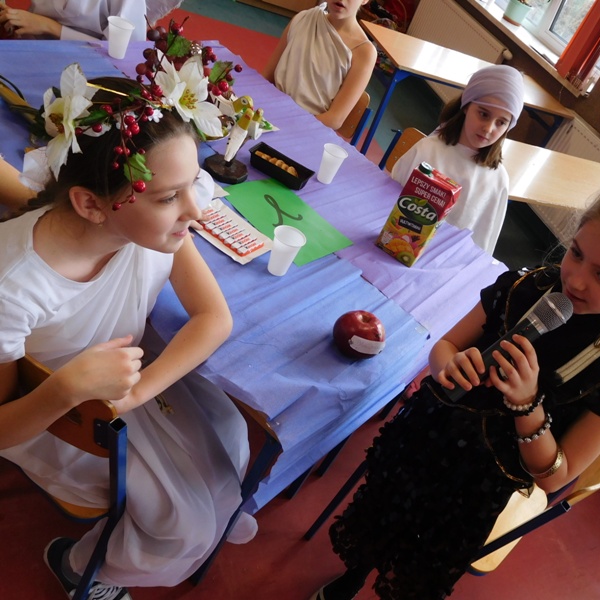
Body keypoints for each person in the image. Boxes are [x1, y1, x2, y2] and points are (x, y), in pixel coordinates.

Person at [311, 178, 600, 600]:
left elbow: (554, 478)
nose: (576, 281)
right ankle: (352, 575)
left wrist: (527, 406)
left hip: (476, 484)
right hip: (426, 433)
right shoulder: (524, 287)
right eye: (576, 253)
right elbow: (445, 347)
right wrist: (450, 364)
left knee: (419, 557)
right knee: (380, 512)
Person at [0, 62, 253, 600]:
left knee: (231, 440)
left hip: (118, 390)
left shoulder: (145, 229)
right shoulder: (12, 289)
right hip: (61, 416)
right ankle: (79, 566)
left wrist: (132, 395)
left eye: (192, 185)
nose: (197, 212)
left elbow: (214, 318)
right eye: (168, 197)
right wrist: (67, 389)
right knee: (183, 521)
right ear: (90, 203)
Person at [390, 64, 525, 255]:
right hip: (398, 245)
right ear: (467, 106)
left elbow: (483, 244)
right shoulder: (428, 149)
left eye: (501, 122)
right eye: (483, 114)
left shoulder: (498, 180)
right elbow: (387, 200)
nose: (488, 128)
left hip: (447, 260)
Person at [263, 0, 377, 131]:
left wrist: (288, 125)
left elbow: (334, 119)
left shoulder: (364, 52)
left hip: (306, 128)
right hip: (269, 111)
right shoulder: (302, 19)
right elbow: (266, 77)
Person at [0, 0, 183, 41]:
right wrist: (11, 17)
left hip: (85, 73)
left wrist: (50, 27)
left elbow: (122, 54)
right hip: (28, 47)